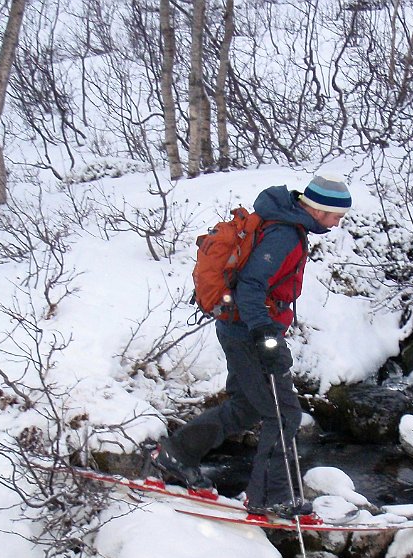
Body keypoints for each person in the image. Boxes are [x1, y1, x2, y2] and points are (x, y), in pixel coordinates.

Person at [150, 172, 352, 515]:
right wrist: (267, 338)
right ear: (317, 209)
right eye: (335, 215)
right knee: (284, 413)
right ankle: (270, 497)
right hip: (248, 332)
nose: (337, 223)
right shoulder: (285, 235)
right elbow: (251, 288)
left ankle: (177, 454)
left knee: (245, 407)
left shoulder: (285, 223)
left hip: (239, 328)